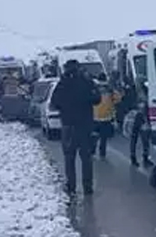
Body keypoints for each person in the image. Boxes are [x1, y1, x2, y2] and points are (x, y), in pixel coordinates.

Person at [50, 60, 101, 195]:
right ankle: (87, 187)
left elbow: (54, 103)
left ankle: (71, 186)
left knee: (69, 158)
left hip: (68, 125)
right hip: (85, 125)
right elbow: (97, 99)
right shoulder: (86, 81)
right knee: (86, 158)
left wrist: (65, 107)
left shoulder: (62, 83)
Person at [127, 79, 152, 167]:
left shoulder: (137, 91)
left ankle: (143, 157)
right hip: (136, 116)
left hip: (140, 116)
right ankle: (135, 157)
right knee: (136, 138)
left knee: (143, 139)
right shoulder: (133, 92)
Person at [92, 73, 117, 158]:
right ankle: (102, 153)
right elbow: (117, 99)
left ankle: (92, 151)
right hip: (106, 117)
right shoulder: (109, 89)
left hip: (95, 116)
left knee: (94, 136)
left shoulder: (94, 88)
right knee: (103, 137)